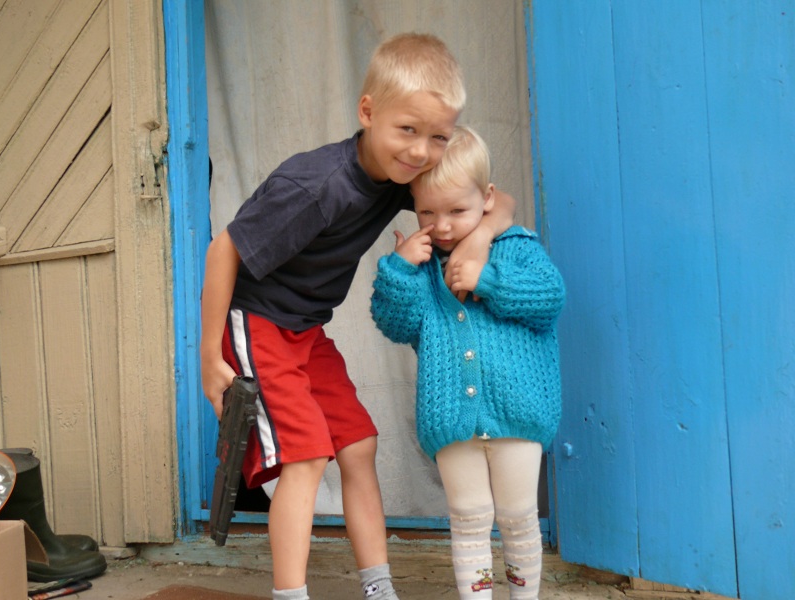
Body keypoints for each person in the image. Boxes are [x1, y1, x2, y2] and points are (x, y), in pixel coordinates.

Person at [200, 34, 516, 600]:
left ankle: (379, 588)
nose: (421, 152)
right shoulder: (315, 185)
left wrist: (478, 241)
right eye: (408, 130)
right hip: (258, 321)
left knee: (359, 444)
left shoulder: (401, 174)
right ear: (367, 112)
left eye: (438, 136)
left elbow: (496, 201)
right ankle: (290, 595)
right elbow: (224, 249)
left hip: (305, 329)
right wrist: (207, 357)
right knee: (306, 457)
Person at [370, 126, 565, 600]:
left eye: (457, 211)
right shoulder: (422, 266)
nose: (442, 226)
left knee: (518, 517)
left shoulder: (517, 247)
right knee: (468, 518)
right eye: (428, 212)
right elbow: (397, 325)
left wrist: (489, 279)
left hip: (518, 411)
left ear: (487, 198)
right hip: (450, 414)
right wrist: (400, 268)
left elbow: (549, 299)